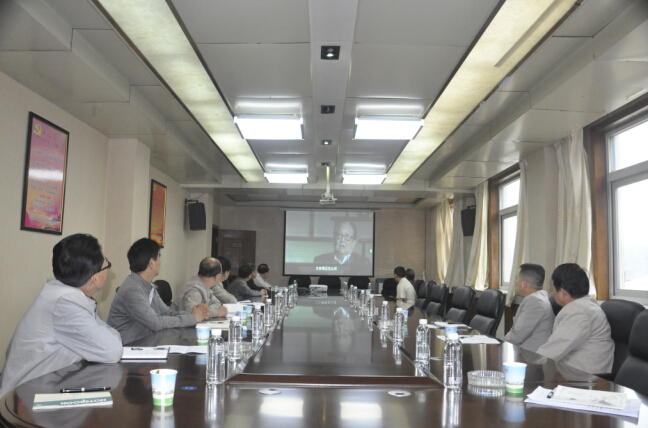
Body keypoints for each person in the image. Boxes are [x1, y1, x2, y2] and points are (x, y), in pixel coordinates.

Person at [0, 234, 122, 398]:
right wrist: (110, 335)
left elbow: (101, 335)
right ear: (95, 278)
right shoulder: (66, 304)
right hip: (25, 398)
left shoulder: (66, 294)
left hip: (47, 385)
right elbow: (113, 350)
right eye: (107, 265)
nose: (108, 269)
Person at [107, 238, 209, 344]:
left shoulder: (148, 286)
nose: (160, 262)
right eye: (159, 257)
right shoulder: (132, 290)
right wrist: (193, 318)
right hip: (127, 347)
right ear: (151, 263)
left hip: (145, 343)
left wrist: (193, 314)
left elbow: (167, 313)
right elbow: (156, 323)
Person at [536, 263, 614, 374]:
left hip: (585, 378)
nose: (553, 294)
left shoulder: (579, 312)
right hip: (574, 373)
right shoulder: (585, 306)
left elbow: (552, 350)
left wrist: (527, 366)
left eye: (553, 289)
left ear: (563, 293)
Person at [503, 263, 554, 352]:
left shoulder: (535, 302)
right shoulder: (538, 298)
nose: (516, 283)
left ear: (524, 283)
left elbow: (517, 336)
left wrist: (497, 344)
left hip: (531, 357)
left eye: (517, 279)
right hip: (524, 353)